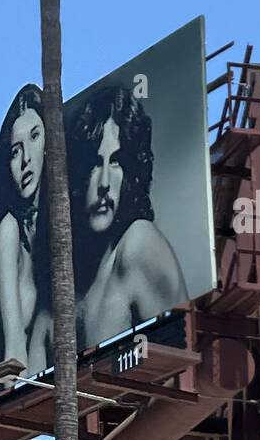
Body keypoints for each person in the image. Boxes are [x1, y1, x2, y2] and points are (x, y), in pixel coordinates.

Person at [68, 85, 187, 346]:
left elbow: (180, 366)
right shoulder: (73, 284)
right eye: (95, 163)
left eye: (116, 161)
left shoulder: (138, 244)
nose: (104, 183)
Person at [0, 85, 52, 378]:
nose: (25, 160)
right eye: (15, 150)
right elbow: (14, 347)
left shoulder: (65, 220)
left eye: (34, 136)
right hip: (37, 398)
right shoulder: (10, 228)